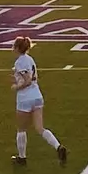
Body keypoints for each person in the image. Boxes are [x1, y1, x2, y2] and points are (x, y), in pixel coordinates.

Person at [10, 36, 68, 166]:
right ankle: (58, 147)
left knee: (21, 128)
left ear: (18, 48)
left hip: (25, 98)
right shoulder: (30, 59)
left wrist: (16, 87)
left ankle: (22, 157)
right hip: (37, 96)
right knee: (40, 128)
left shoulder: (20, 62)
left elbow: (28, 80)